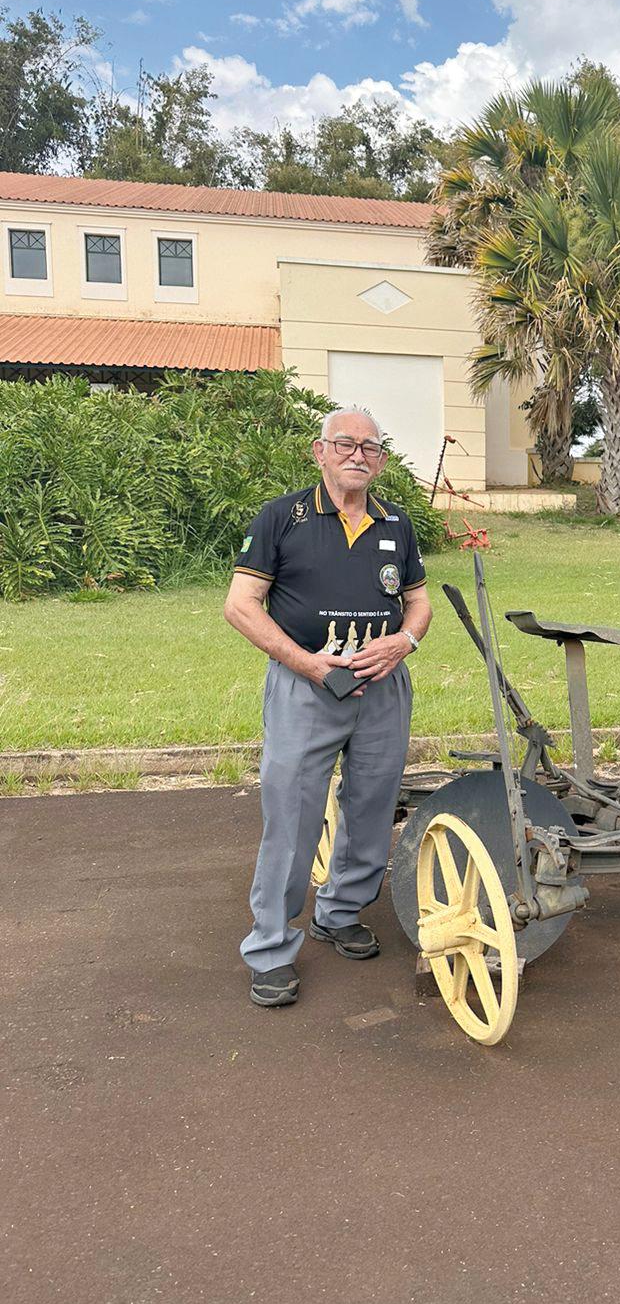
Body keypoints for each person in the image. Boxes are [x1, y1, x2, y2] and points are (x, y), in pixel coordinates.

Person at [224, 407, 432, 1006]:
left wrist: (406, 640)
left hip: (383, 686)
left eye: (370, 447)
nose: (357, 454)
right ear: (320, 452)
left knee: (371, 805)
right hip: (307, 684)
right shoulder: (281, 518)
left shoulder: (397, 523)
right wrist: (311, 664)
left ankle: (340, 911)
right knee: (291, 817)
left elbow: (417, 603)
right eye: (345, 443)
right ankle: (269, 946)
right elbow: (241, 605)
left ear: (382, 461)